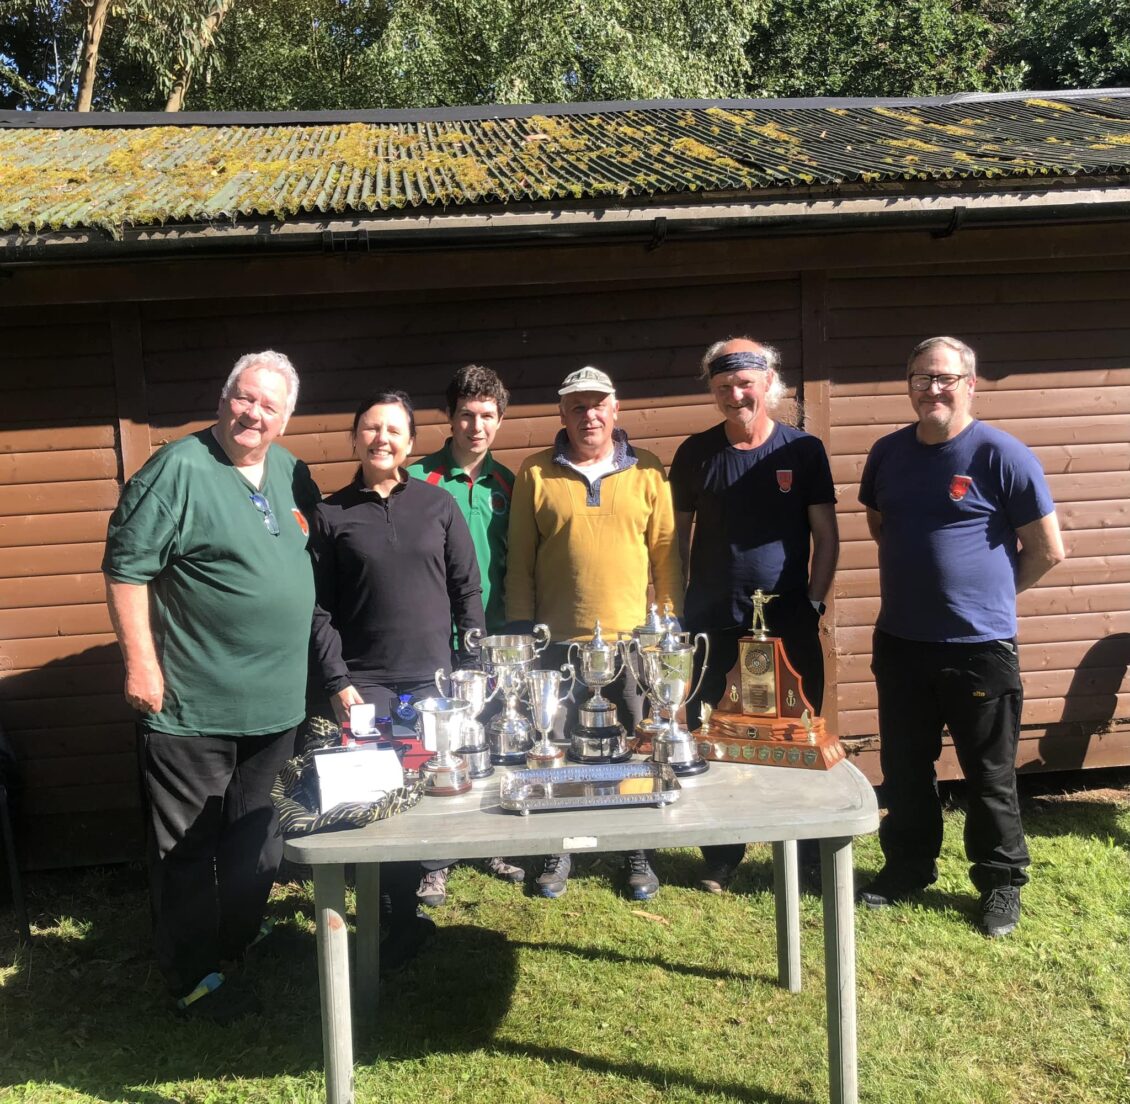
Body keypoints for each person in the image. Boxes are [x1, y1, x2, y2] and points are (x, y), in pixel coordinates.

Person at [103, 350, 317, 1023]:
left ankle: (239, 944)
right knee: (188, 852)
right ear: (224, 397)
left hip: (276, 705)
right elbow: (125, 569)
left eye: (269, 406)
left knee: (258, 839)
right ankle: (194, 976)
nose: (253, 413)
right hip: (193, 707)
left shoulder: (288, 470)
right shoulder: (177, 470)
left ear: (286, 419)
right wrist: (141, 664)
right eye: (244, 397)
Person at [857, 335, 1064, 938]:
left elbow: (1048, 549)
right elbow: (881, 525)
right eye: (922, 378)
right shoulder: (888, 453)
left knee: (989, 772)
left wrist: (990, 599)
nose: (933, 389)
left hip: (980, 650)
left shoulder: (1003, 454)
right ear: (909, 384)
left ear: (970, 384)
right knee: (905, 765)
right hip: (901, 642)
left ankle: (1000, 883)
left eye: (945, 378)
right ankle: (907, 869)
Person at [309, 390, 485, 960]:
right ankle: (383, 924)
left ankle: (403, 916)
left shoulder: (438, 507)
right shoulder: (331, 515)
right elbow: (317, 609)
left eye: (393, 430)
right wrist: (337, 681)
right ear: (355, 439)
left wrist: (472, 667)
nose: (381, 439)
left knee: (424, 800)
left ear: (410, 443)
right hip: (367, 686)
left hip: (433, 685)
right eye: (370, 429)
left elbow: (467, 591)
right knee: (376, 805)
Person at [506, 365, 683, 900]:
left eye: (598, 404)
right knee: (554, 746)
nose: (589, 415)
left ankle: (636, 851)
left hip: (630, 645)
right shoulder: (535, 474)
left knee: (632, 746)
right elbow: (520, 561)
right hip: (555, 644)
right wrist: (522, 633)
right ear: (562, 413)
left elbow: (667, 557)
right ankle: (557, 849)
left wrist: (667, 628)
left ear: (616, 408)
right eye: (578, 406)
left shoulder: (649, 471)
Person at [669, 338, 839, 894]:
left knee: (797, 732)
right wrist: (675, 608)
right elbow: (677, 538)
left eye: (744, 383)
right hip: (711, 620)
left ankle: (807, 853)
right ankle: (721, 854)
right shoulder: (695, 453)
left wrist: (812, 602)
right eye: (722, 387)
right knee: (713, 733)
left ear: (768, 382)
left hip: (786, 623)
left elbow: (827, 537)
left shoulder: (804, 451)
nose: (734, 395)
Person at [407, 364, 524, 886]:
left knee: (495, 737)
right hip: (436, 635)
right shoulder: (416, 480)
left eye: (487, 416)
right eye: (466, 415)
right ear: (449, 418)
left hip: (496, 637)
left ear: (500, 420)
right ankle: (435, 861)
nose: (476, 427)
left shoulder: (510, 484)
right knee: (440, 743)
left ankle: (493, 842)